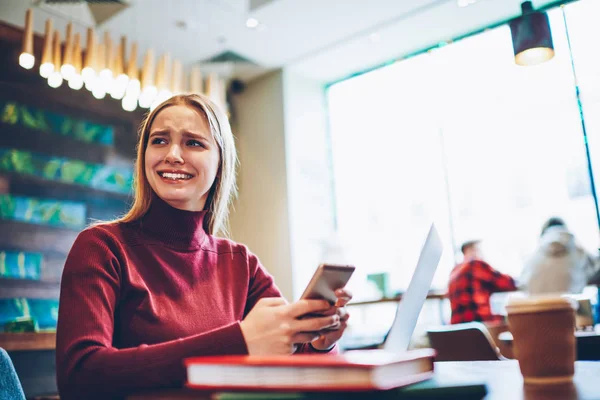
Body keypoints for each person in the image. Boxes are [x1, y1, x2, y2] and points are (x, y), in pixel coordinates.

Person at [56, 94, 352, 400]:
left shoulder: (240, 263)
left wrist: (321, 340)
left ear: (220, 161)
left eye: (193, 143)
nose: (172, 154)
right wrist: (239, 342)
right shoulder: (102, 248)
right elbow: (79, 377)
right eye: (159, 141)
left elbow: (303, 367)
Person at [519, 217, 600, 295]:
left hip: (534, 306)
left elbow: (522, 284)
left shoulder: (534, 255)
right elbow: (595, 271)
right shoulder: (578, 250)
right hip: (568, 306)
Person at [448, 240, 517, 324]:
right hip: (478, 323)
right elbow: (507, 282)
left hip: (457, 327)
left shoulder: (455, 270)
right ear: (472, 249)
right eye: (480, 249)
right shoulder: (475, 264)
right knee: (517, 319)